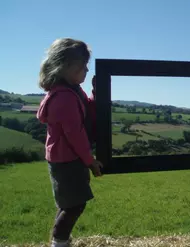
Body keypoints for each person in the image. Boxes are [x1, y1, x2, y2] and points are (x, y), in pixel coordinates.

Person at [36, 38, 103, 247]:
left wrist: (96, 92)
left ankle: (59, 239)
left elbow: (87, 112)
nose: (86, 70)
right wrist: (89, 160)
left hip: (69, 156)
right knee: (74, 205)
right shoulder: (64, 97)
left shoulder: (73, 91)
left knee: (70, 203)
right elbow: (74, 133)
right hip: (67, 158)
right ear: (64, 66)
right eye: (82, 66)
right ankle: (59, 241)